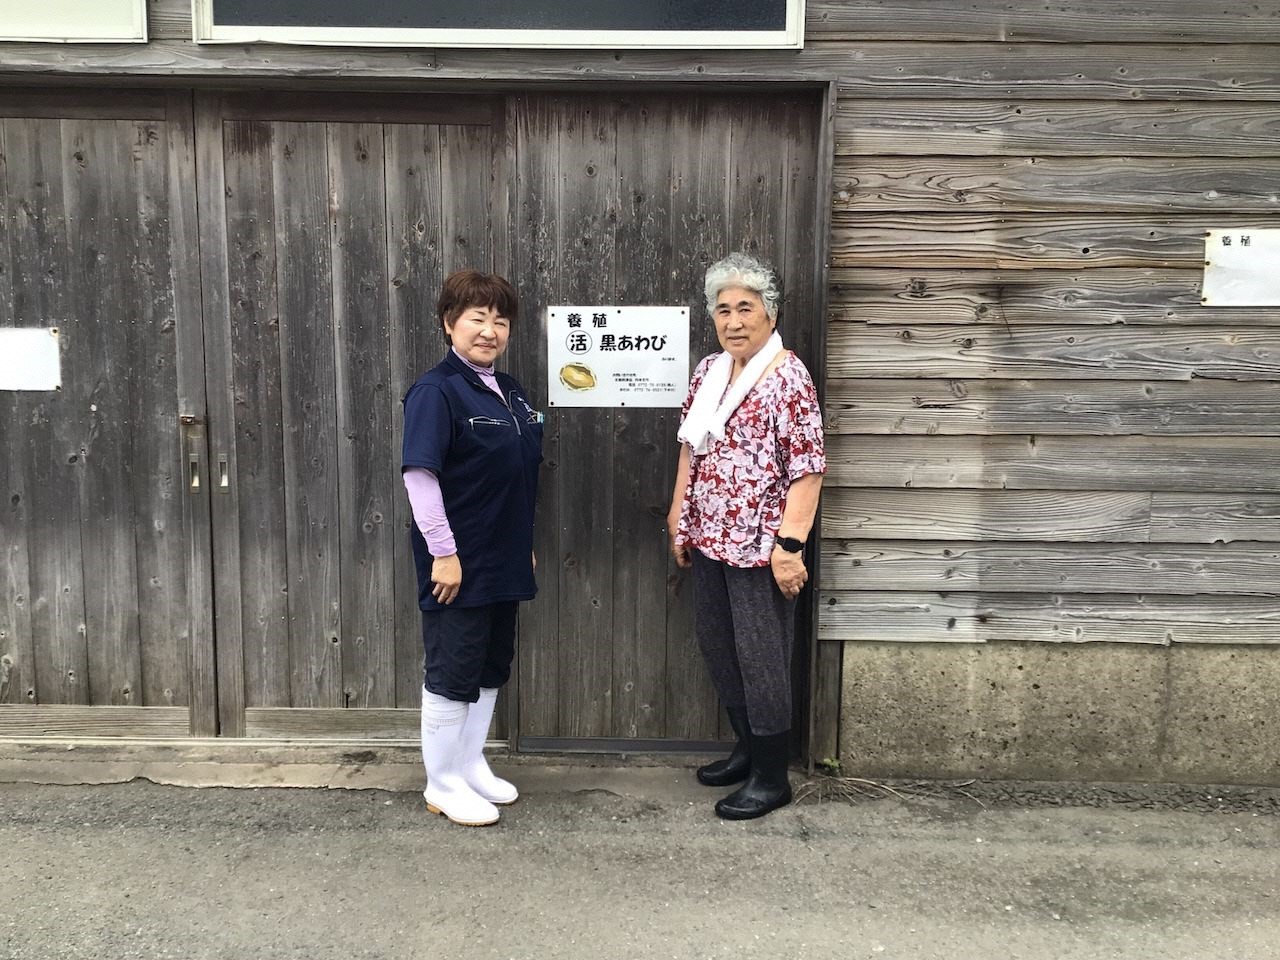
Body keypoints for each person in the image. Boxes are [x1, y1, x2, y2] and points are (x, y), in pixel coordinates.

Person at [667, 252, 826, 820]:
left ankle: (770, 774)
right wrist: (678, 513)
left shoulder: (787, 376)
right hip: (709, 535)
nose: (733, 320)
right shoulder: (710, 371)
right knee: (719, 646)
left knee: (761, 656)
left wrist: (790, 548)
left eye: (745, 308)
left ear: (770, 313)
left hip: (760, 546)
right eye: (723, 309)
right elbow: (691, 445)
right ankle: (744, 749)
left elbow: (807, 468)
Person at [401, 270, 543, 827]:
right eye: (477, 318)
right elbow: (420, 476)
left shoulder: (511, 392)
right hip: (456, 559)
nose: (489, 331)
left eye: (500, 320)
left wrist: (523, 543)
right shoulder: (436, 391)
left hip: (503, 553)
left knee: (490, 665)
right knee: (453, 666)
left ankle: (469, 764)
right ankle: (441, 783)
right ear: (449, 323)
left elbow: (520, 475)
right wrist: (443, 551)